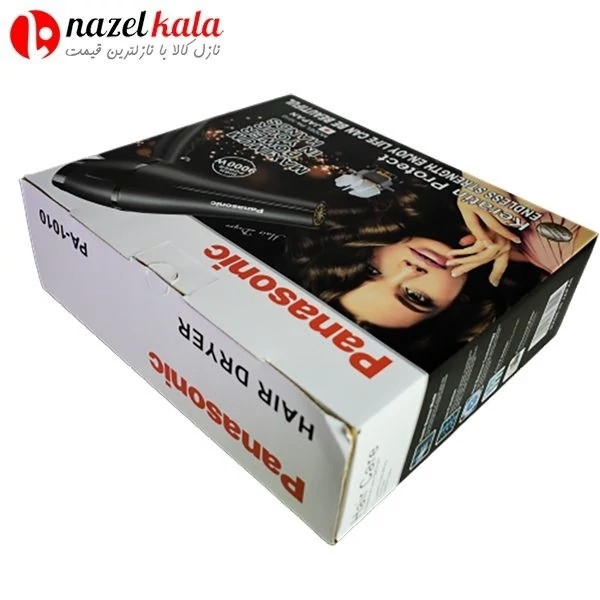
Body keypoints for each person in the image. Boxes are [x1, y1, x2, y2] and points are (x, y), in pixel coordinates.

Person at [284, 181, 546, 369]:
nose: (409, 270)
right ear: (457, 305)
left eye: (372, 270)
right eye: (414, 296)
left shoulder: (410, 188)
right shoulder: (548, 257)